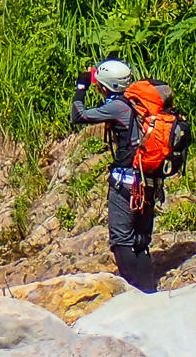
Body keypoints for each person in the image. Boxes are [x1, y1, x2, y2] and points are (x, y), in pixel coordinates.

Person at [70, 58, 179, 292]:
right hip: (150, 180)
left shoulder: (117, 107)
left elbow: (78, 115)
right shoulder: (140, 104)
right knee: (140, 243)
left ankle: (134, 295)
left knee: (121, 242)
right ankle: (149, 293)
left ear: (104, 86)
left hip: (126, 183)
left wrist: (81, 88)